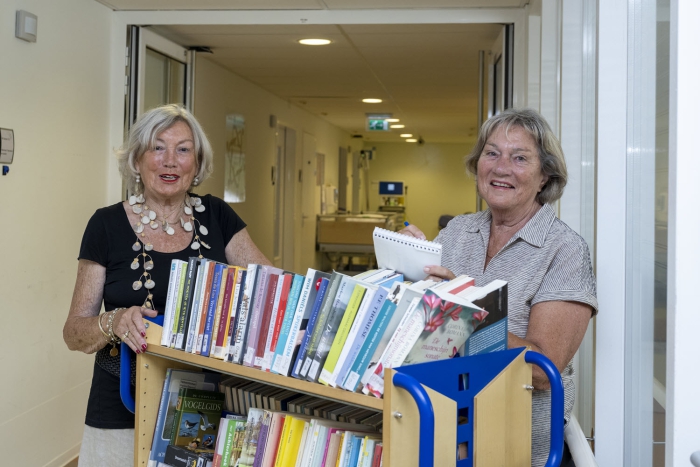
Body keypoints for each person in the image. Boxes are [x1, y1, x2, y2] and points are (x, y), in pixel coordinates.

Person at [63, 104, 272, 466]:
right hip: (121, 406)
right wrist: (114, 322)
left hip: (205, 402)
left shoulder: (217, 215)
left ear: (197, 161)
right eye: (157, 147)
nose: (170, 161)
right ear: (137, 160)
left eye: (183, 149)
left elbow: (275, 289)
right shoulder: (106, 225)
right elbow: (74, 331)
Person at [401, 108, 597, 467]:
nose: (501, 167)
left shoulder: (565, 250)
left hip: (514, 447)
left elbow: (542, 370)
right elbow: (420, 324)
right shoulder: (458, 231)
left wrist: (463, 308)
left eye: (520, 158)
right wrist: (403, 266)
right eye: (491, 153)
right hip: (435, 427)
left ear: (544, 177)